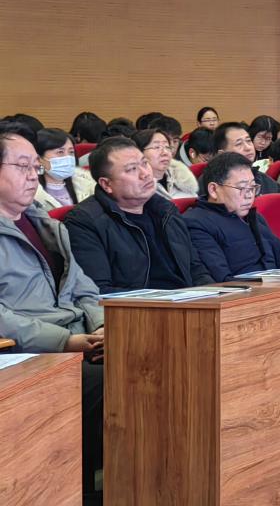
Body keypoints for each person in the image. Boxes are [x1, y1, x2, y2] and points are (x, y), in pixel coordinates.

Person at [0, 122, 106, 503]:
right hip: (32, 351)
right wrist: (66, 341)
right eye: (22, 166)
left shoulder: (48, 224)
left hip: (81, 340)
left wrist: (101, 327)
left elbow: (84, 288)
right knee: (116, 379)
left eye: (35, 167)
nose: (34, 175)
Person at [64, 137, 214, 293]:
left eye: (144, 163)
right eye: (132, 169)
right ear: (107, 184)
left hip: (187, 301)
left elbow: (195, 268)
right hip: (140, 305)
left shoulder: (166, 210)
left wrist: (211, 295)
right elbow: (98, 290)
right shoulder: (85, 221)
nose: (145, 174)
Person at [183, 153, 280, 281]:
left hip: (276, 288)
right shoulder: (197, 223)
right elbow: (222, 281)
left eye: (252, 187)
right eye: (242, 188)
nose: (249, 195)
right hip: (250, 293)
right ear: (213, 190)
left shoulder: (253, 217)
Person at [33, 127, 96, 210]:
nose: (68, 157)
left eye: (71, 152)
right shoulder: (31, 191)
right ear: (39, 158)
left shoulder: (87, 183)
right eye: (60, 152)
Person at [213, 122, 280, 196]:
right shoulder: (213, 184)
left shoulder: (269, 184)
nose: (248, 148)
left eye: (248, 141)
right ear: (222, 154)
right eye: (239, 144)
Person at [132, 129, 198, 199]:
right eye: (157, 147)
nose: (165, 152)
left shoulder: (183, 181)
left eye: (167, 147)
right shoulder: (134, 191)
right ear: (139, 152)